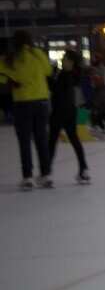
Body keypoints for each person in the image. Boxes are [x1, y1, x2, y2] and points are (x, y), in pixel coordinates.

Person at [0, 30, 54, 190]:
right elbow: (48, 71)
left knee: (24, 141)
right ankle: (45, 175)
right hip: (42, 102)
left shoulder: (10, 57)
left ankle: (28, 177)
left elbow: (2, 78)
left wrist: (11, 81)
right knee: (42, 140)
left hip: (22, 102)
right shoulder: (38, 53)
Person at [48, 51, 90, 185]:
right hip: (70, 111)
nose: (62, 59)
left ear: (71, 61)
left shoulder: (65, 74)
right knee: (74, 140)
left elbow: (57, 90)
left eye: (65, 58)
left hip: (59, 111)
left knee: (52, 142)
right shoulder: (73, 74)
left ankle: (46, 173)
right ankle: (84, 170)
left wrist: (47, 78)